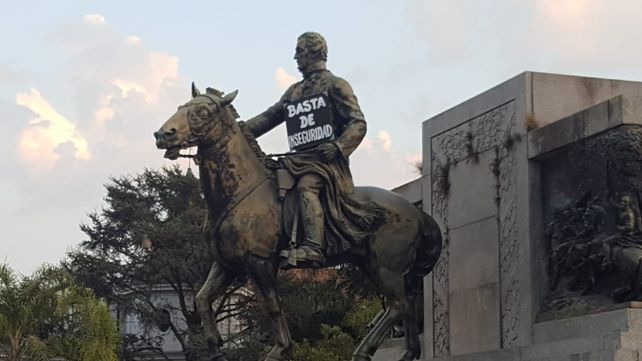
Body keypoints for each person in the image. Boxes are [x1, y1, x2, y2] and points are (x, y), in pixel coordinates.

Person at [246, 31, 379, 268]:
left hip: (326, 162)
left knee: (307, 185)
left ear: (314, 51)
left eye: (299, 51)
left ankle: (313, 247)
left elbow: (358, 122)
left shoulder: (336, 84)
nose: (295, 57)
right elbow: (268, 117)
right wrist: (236, 132)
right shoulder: (294, 92)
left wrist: (338, 146)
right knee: (267, 185)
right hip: (297, 159)